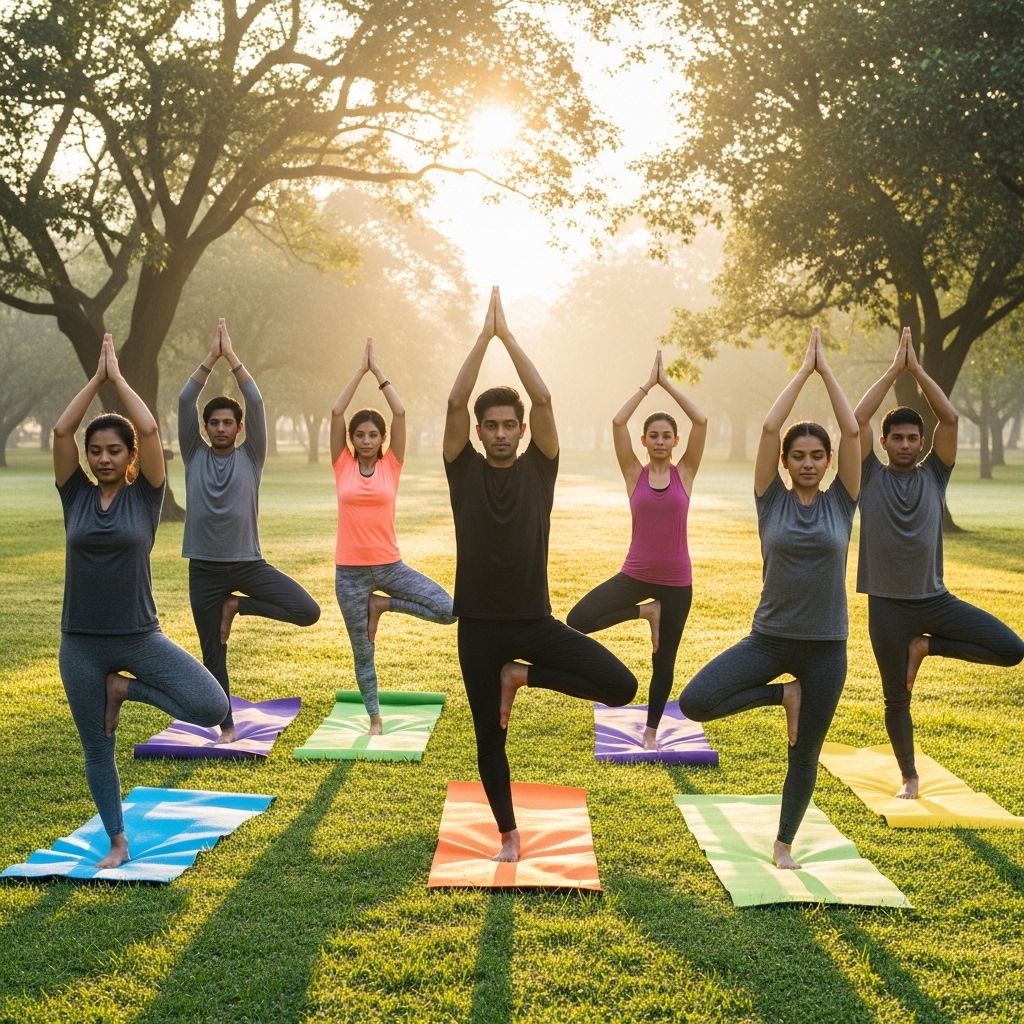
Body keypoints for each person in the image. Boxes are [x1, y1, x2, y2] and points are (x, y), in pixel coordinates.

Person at [444, 287, 638, 863]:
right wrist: (482, 339)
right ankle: (508, 834)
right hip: (478, 627)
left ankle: (521, 677)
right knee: (489, 737)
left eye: (510, 424)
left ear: (523, 430)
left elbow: (545, 398)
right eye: (492, 426)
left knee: (621, 686)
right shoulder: (462, 470)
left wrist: (507, 337)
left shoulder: (540, 468)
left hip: (533, 621)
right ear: (480, 431)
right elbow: (455, 402)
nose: (501, 433)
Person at [679, 327, 860, 869]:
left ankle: (784, 844)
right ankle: (785, 696)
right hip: (769, 639)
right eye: (798, 455)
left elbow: (853, 430)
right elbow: (767, 428)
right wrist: (802, 371)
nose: (807, 463)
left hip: (826, 647)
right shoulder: (770, 499)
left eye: (817, 456)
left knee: (804, 752)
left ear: (828, 461)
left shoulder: (842, 502)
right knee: (696, 702)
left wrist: (827, 374)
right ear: (784, 462)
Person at [53, 335, 230, 869]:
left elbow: (150, 429)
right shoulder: (75, 494)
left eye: (114, 451)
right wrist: (95, 381)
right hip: (80, 643)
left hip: (138, 635)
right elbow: (61, 431)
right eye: (96, 451)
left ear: (131, 458)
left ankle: (123, 689)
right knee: (97, 747)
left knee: (212, 706)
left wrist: (117, 379)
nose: (103, 458)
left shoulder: (146, 496)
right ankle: (117, 841)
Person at [854, 328, 1024, 799]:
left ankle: (926, 647)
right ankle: (909, 777)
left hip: (935, 601)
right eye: (898, 438)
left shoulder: (935, 473)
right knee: (896, 698)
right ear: (884, 442)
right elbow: (857, 418)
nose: (906, 445)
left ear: (922, 442)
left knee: (1012, 649)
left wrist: (917, 370)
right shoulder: (867, 475)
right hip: (887, 608)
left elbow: (949, 417)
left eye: (913, 438)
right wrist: (894, 370)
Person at [178, 319, 320, 744]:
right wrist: (210, 359)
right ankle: (227, 727)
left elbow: (255, 401)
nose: (221, 428)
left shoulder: (252, 456)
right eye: (214, 422)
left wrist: (232, 358)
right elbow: (185, 399)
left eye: (228, 422)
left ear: (239, 428)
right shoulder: (193, 454)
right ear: (205, 428)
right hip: (204, 570)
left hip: (248, 565)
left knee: (307, 611)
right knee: (213, 655)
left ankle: (236, 606)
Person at [567, 351, 707, 749]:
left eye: (667, 436)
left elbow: (701, 421)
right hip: (635, 575)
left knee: (664, 659)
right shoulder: (634, 473)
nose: (660, 441)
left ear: (676, 441)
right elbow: (617, 422)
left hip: (677, 582)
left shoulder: (685, 473)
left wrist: (669, 385)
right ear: (643, 441)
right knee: (578, 619)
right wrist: (648, 385)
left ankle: (651, 731)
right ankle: (646, 612)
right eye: (653, 435)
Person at [329, 337, 455, 734]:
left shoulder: (392, 465)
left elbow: (399, 412)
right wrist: (358, 372)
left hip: (389, 566)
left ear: (382, 439)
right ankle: (374, 717)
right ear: (352, 439)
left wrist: (378, 373)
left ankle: (382, 606)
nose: (366, 441)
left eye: (373, 435)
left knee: (449, 610)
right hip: (350, 573)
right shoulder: (342, 464)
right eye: (360, 435)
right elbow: (336, 412)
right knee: (363, 651)